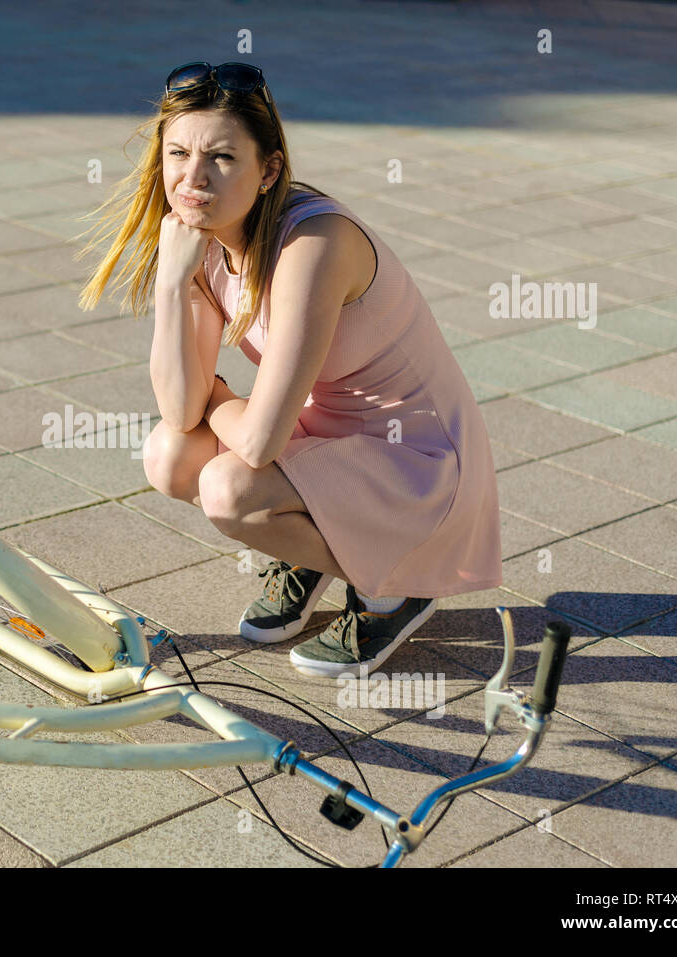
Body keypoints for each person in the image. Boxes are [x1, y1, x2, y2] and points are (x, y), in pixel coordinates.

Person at [76, 62, 502, 677]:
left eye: (221, 158)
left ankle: (395, 591)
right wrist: (172, 284)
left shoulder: (314, 245)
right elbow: (178, 412)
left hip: (416, 462)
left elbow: (257, 441)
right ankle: (315, 553)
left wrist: (216, 393)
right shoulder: (200, 240)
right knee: (170, 454)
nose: (192, 178)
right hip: (330, 442)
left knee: (230, 488)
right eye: (177, 153)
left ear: (269, 169)